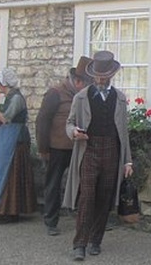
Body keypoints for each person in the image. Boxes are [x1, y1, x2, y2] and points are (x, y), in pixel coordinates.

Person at [63, 51, 133, 262]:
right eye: (97, 76)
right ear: (93, 75)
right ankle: (80, 244)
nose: (100, 79)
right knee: (87, 197)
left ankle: (96, 240)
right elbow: (69, 122)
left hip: (112, 150)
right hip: (89, 149)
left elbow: (124, 131)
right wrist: (74, 132)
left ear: (111, 74)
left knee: (104, 197)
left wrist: (128, 161)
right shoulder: (81, 97)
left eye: (104, 75)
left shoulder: (120, 98)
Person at [36, 56, 93, 235]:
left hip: (79, 147)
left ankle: (84, 219)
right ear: (77, 81)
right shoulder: (55, 93)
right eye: (86, 83)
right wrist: (43, 149)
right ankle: (50, 221)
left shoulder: (84, 96)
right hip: (57, 147)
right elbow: (42, 122)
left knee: (85, 184)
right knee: (53, 184)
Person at [0, 67, 37, 223]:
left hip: (15, 139)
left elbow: (5, 118)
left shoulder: (16, 98)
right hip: (6, 137)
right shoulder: (11, 96)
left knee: (11, 174)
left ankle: (10, 210)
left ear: (4, 83)